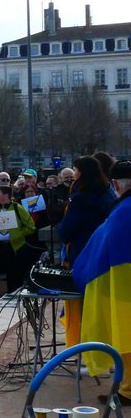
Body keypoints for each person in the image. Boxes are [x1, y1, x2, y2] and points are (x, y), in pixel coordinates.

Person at [72, 161, 131, 405]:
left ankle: (127, 391)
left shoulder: (124, 211)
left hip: (123, 286)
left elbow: (103, 244)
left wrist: (82, 268)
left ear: (117, 185)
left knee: (125, 333)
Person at [57, 155, 115, 347]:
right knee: (104, 309)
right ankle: (108, 352)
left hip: (82, 257)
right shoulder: (109, 195)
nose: (73, 174)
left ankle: (86, 353)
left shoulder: (80, 199)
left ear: (81, 172)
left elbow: (66, 231)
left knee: (84, 309)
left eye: (75, 170)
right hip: (106, 258)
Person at [0, 186, 35, 294]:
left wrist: (18, 235)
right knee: (7, 273)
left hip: (17, 247)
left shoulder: (17, 208)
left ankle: (17, 293)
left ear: (6, 195)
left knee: (17, 272)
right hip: (1, 247)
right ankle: (10, 293)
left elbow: (31, 226)